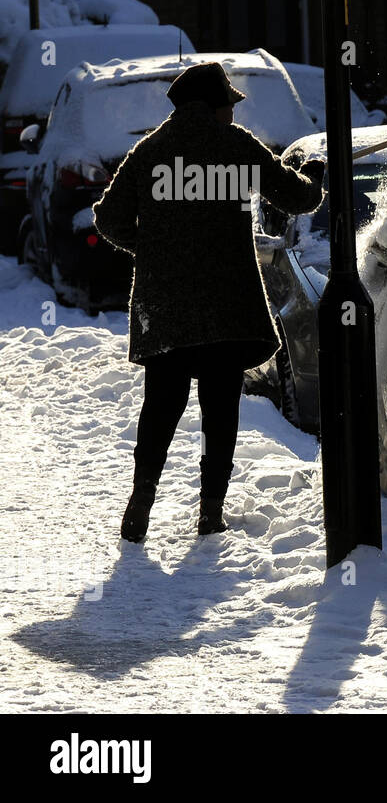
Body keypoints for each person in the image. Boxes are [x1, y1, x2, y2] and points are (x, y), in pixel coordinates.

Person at [94, 61, 325, 543]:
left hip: (167, 308)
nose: (232, 113)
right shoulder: (236, 148)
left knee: (161, 405)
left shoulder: (150, 153)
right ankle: (210, 511)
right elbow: (297, 199)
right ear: (215, 107)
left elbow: (109, 219)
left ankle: (141, 500)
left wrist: (153, 244)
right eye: (229, 105)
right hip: (227, 309)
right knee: (220, 410)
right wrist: (314, 176)